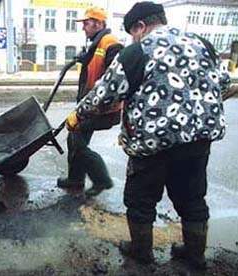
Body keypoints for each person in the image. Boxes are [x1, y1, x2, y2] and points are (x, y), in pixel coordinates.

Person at [65, 1, 231, 269]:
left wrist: (78, 115)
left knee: (141, 199)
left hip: (153, 143)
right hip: (198, 141)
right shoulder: (202, 44)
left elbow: (104, 93)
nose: (132, 37)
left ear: (140, 26)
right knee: (191, 198)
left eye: (133, 31)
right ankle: (195, 255)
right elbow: (223, 82)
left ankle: (141, 253)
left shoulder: (138, 51)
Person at [57, 6, 123, 197]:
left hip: (104, 109)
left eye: (86, 23)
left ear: (99, 24)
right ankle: (76, 179)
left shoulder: (111, 44)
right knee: (73, 138)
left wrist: (92, 105)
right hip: (89, 106)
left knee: (77, 141)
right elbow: (94, 66)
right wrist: (84, 57)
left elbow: (114, 81)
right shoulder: (96, 42)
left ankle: (102, 180)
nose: (83, 27)